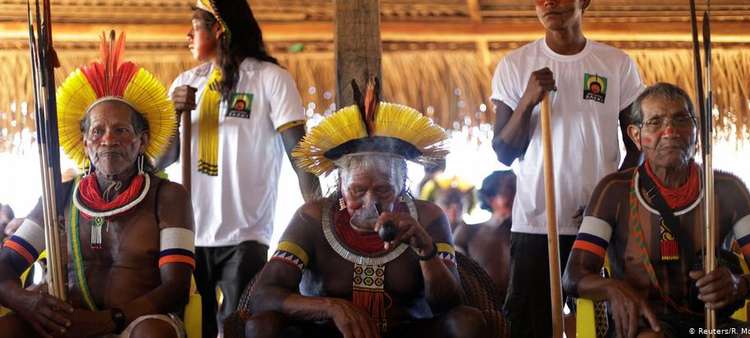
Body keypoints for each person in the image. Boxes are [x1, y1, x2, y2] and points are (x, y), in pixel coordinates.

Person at [244, 84, 485, 338]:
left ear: (402, 186)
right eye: (357, 190)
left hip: (406, 331)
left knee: (466, 322)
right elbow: (263, 297)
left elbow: (450, 305)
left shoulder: (428, 217)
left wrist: (427, 252)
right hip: (327, 332)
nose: (370, 202)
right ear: (340, 185)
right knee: (262, 326)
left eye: (383, 190)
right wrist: (332, 307)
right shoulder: (312, 218)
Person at [0, 31, 193, 338]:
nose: (108, 140)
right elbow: (5, 265)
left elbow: (176, 288)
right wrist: (26, 302)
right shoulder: (59, 196)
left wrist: (109, 321)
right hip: (66, 325)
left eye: (121, 130)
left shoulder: (167, 197)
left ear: (142, 141)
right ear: (85, 142)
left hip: (135, 323)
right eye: (98, 131)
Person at [563, 83, 750, 337]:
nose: (670, 131)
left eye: (681, 119)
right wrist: (612, 288)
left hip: (711, 327)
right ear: (635, 136)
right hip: (646, 326)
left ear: (697, 131)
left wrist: (740, 284)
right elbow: (573, 276)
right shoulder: (613, 192)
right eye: (655, 122)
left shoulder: (728, 190)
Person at [165, 0, 321, 336]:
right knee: (192, 326)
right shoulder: (186, 83)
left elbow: (298, 151)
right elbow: (162, 159)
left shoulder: (270, 78)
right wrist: (176, 115)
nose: (186, 36)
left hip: (246, 232)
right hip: (191, 231)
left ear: (219, 28)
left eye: (194, 26)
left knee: (236, 325)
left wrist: (318, 211)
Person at [489, 0, 645, 335]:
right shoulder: (515, 65)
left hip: (599, 227)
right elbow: (503, 151)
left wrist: (608, 202)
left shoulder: (616, 64)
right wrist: (527, 100)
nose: (548, 3)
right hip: (535, 223)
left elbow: (639, 148)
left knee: (603, 327)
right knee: (531, 327)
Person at [453, 170, 516, 300]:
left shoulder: (529, 236)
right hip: (483, 310)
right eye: (511, 189)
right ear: (492, 199)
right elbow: (457, 278)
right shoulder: (468, 232)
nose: (517, 196)